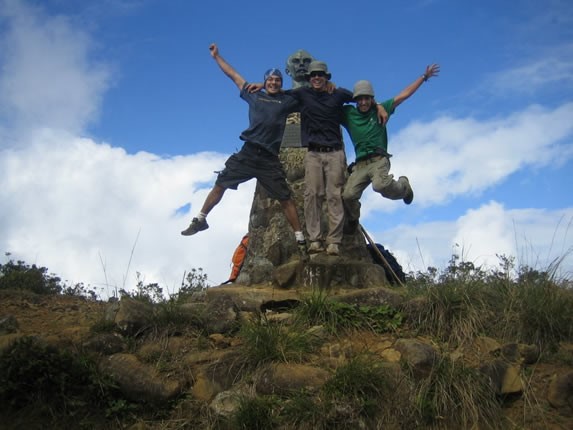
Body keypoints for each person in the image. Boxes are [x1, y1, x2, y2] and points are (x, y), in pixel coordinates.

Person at [181, 44, 307, 255]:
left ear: (280, 83)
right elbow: (233, 75)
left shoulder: (287, 101)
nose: (274, 82)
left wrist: (282, 90)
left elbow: (306, 92)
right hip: (248, 152)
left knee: (285, 198)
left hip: (269, 158)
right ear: (265, 82)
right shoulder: (254, 95)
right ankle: (200, 219)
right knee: (221, 183)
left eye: (277, 80)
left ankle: (300, 239)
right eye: (270, 80)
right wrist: (217, 57)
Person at [286, 61, 388, 256]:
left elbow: (362, 99)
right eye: (313, 75)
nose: (317, 77)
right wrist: (261, 86)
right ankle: (315, 239)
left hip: (335, 153)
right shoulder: (302, 94)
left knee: (334, 196)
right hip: (313, 153)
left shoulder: (338, 93)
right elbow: (279, 96)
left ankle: (334, 241)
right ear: (309, 78)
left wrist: (380, 106)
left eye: (320, 75)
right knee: (312, 195)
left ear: (327, 77)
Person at [341, 64, 440, 233]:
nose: (363, 102)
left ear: (372, 98)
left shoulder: (381, 109)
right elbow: (328, 103)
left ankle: (404, 187)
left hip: (379, 160)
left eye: (367, 98)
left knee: (379, 186)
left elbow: (404, 95)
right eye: (360, 99)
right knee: (347, 196)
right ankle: (353, 220)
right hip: (360, 164)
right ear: (355, 100)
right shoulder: (348, 113)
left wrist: (423, 77)